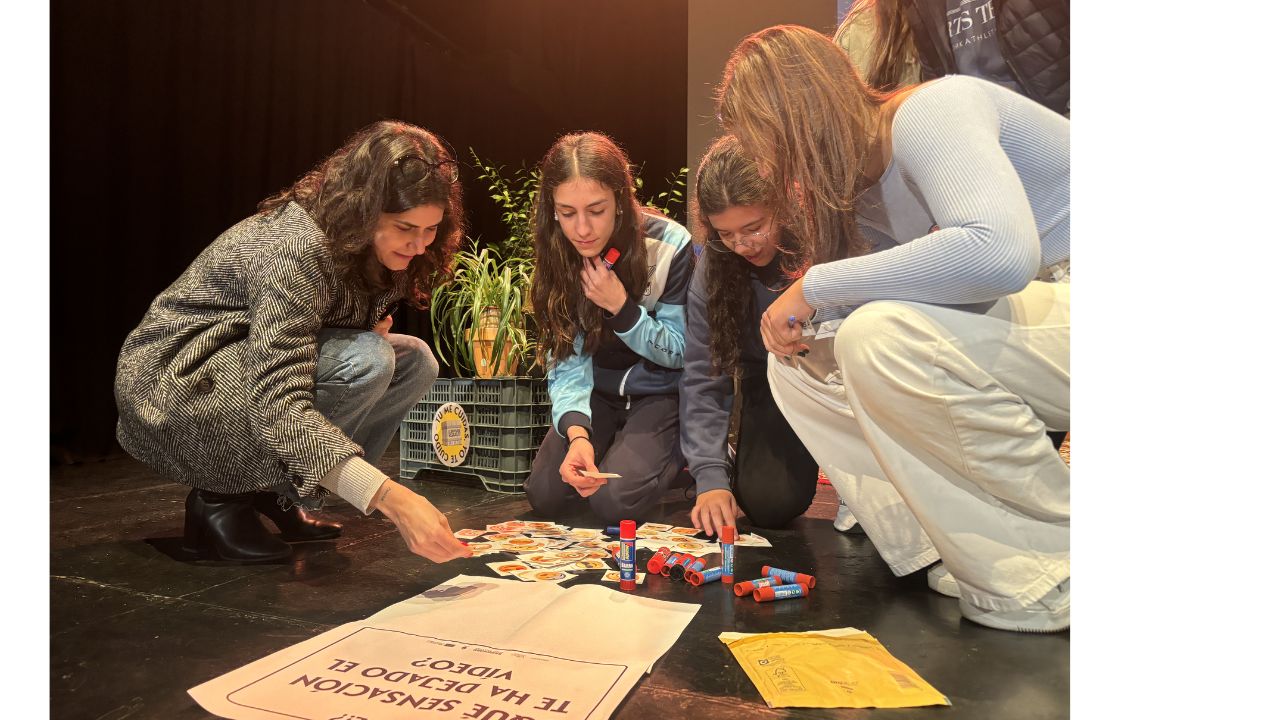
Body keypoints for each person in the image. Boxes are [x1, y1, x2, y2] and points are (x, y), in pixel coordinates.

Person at [717, 26, 1069, 632]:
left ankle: (1052, 560)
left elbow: (1002, 254)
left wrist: (819, 284)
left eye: (766, 142)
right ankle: (952, 542)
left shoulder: (932, 110)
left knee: (876, 337)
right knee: (801, 361)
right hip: (1051, 318)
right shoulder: (867, 184)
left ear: (802, 115)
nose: (770, 165)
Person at [114, 120, 474, 565]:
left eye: (430, 230)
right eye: (405, 227)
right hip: (176, 382)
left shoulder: (370, 247)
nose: (419, 245)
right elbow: (278, 395)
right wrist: (387, 495)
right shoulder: (294, 246)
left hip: (239, 366)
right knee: (367, 359)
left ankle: (281, 494)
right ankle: (220, 496)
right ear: (363, 209)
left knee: (413, 359)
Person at [523, 132, 693, 524]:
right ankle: (608, 443)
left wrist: (621, 308)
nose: (582, 228)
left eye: (596, 210)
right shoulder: (557, 251)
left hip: (659, 392)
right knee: (547, 495)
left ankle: (682, 451)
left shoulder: (669, 243)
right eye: (567, 213)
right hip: (598, 393)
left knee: (613, 503)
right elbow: (565, 359)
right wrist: (578, 436)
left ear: (620, 199)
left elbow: (681, 351)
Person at [680, 135, 821, 539]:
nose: (742, 245)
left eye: (754, 228)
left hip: (840, 381)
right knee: (767, 503)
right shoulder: (714, 270)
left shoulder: (819, 237)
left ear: (782, 203)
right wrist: (710, 479)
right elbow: (703, 378)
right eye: (725, 233)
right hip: (774, 383)